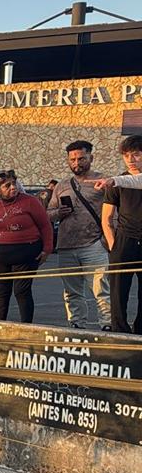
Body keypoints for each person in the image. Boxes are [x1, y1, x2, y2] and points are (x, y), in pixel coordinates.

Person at [48, 140, 112, 330]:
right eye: (73, 159)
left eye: (81, 158)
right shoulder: (62, 185)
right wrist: (59, 213)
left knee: (102, 290)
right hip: (67, 245)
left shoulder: (103, 181)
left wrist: (106, 240)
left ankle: (107, 324)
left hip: (94, 244)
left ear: (91, 158)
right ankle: (76, 324)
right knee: (72, 291)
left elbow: (114, 212)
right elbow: (48, 214)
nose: (77, 163)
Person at [0, 170, 52, 323]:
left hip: (25, 253)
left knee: (21, 290)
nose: (13, 188)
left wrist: (47, 249)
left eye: (14, 183)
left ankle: (26, 326)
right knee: (0, 292)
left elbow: (45, 225)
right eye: (7, 186)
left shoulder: (30, 201)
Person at [93, 135, 142, 333]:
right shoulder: (116, 185)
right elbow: (106, 218)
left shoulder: (121, 181)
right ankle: (119, 330)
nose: (131, 159)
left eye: (136, 154)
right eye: (126, 155)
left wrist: (113, 180)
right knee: (118, 291)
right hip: (124, 241)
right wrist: (114, 245)